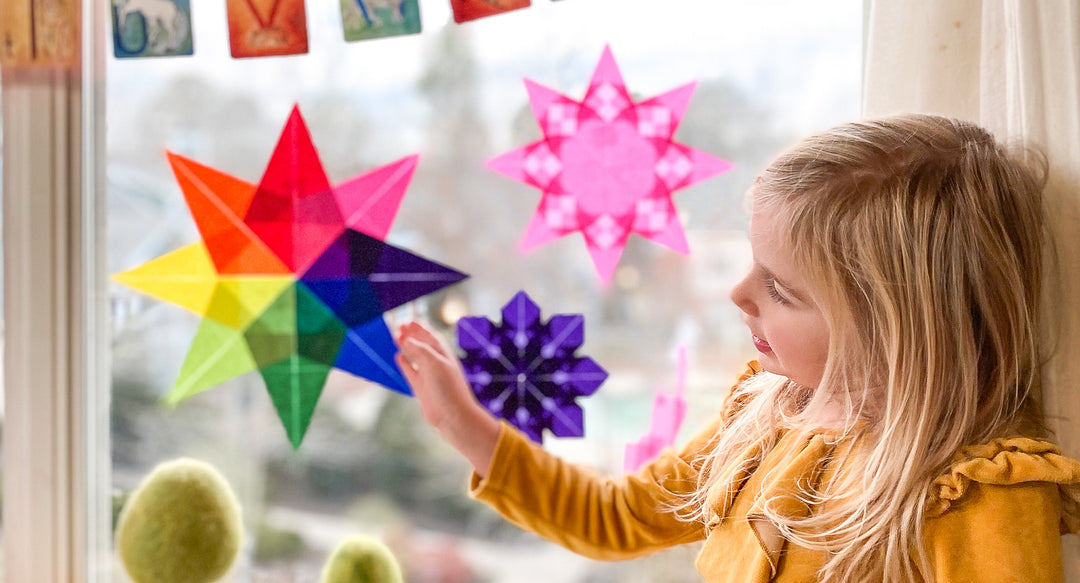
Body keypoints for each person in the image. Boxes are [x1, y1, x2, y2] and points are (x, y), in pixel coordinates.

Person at [394, 114, 1080, 583]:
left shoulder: (978, 491)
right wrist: (465, 424)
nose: (737, 293)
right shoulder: (759, 417)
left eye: (780, 288)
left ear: (893, 323)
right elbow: (614, 516)